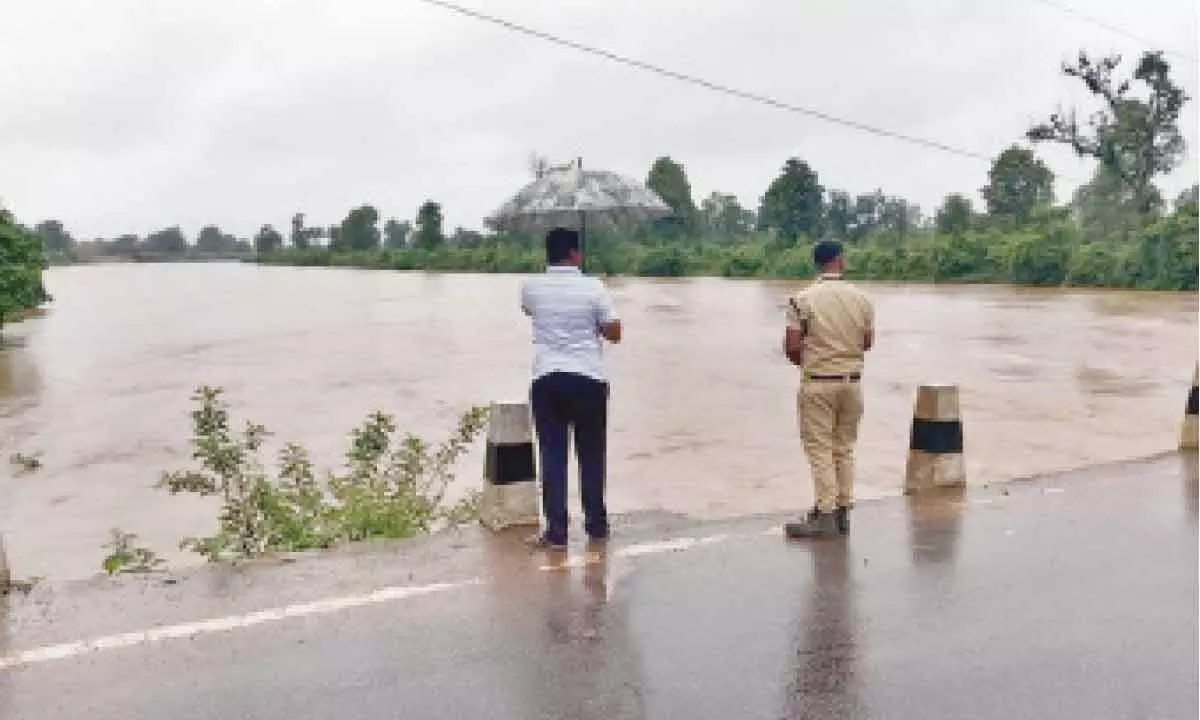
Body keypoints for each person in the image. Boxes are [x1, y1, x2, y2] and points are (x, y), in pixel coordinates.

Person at [520, 227, 622, 550]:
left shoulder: (531, 288)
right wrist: (593, 321)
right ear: (576, 254)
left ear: (547, 255)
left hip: (547, 379)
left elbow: (531, 312)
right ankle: (596, 525)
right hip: (588, 380)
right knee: (591, 455)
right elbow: (615, 332)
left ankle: (556, 531)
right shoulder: (594, 288)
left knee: (552, 454)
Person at [782, 240, 875, 539]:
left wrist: (812, 363)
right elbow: (867, 343)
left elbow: (792, 346)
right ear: (840, 261)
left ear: (817, 263)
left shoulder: (802, 300)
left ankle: (825, 515)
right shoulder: (862, 299)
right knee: (844, 449)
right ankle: (842, 511)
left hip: (819, 383)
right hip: (852, 382)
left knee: (820, 450)